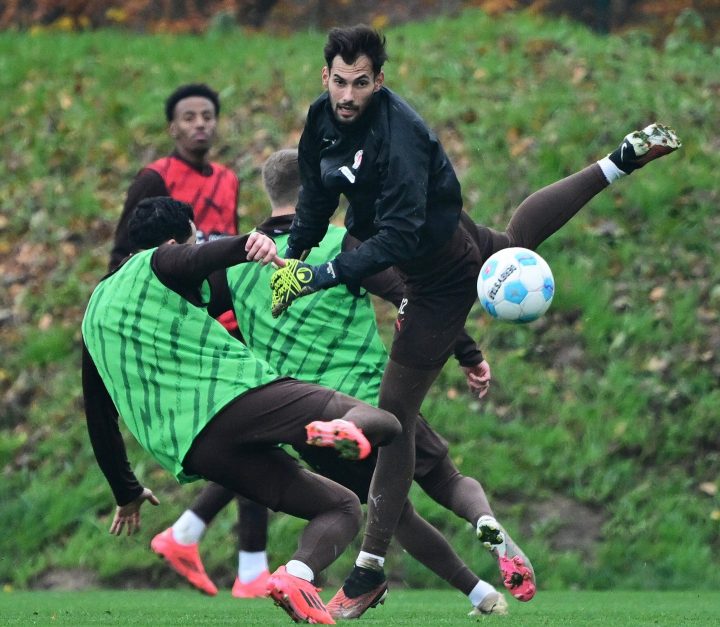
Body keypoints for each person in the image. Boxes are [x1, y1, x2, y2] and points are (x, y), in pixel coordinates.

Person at [268, 24, 681, 618]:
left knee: (396, 422)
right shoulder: (323, 117)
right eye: (340, 81)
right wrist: (298, 254)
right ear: (325, 76)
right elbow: (315, 201)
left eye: (362, 83)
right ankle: (619, 160)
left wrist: (320, 274)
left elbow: (398, 236)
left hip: (437, 275)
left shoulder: (403, 135)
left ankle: (368, 568)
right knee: (513, 239)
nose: (349, 94)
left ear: (380, 82)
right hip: (443, 244)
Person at [151, 149, 522, 616]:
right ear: (313, 192)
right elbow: (414, 296)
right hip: (367, 402)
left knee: (391, 511)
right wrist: (468, 353)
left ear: (270, 192)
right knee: (444, 479)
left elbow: (204, 314)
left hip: (302, 419)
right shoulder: (342, 244)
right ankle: (484, 521)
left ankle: (482, 595)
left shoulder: (237, 262)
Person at [81, 196, 402, 624]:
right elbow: (198, 256)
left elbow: (98, 415)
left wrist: (126, 491)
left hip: (194, 449)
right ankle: (341, 426)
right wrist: (248, 244)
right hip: (238, 397)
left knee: (341, 507)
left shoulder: (93, 315)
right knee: (390, 423)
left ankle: (297, 576)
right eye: (192, 239)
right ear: (177, 241)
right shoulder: (161, 261)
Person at [108, 83, 240, 332]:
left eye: (207, 116)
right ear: (173, 128)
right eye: (189, 118)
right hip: (174, 310)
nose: (200, 123)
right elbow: (124, 250)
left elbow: (230, 237)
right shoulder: (155, 177)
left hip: (224, 313)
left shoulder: (228, 178)